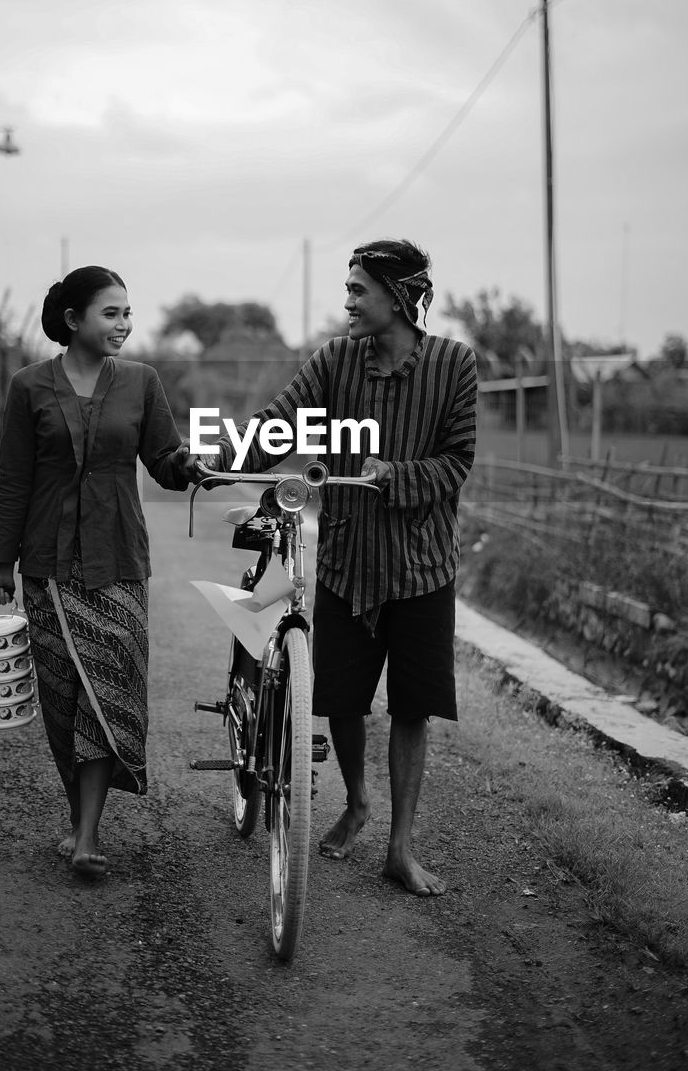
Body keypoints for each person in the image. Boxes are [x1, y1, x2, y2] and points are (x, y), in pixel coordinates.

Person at [190, 238, 477, 895]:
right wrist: (216, 456)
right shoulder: (334, 362)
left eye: (357, 290)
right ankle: (355, 800)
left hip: (422, 564)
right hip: (348, 557)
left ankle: (399, 848)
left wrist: (393, 473)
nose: (346, 301)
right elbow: (278, 422)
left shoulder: (455, 365)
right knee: (341, 699)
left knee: (413, 706)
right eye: (346, 289)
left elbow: (457, 461)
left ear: (400, 298)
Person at [0, 265, 191, 880]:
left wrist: (193, 465)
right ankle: (81, 822)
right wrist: (2, 566)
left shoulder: (142, 382)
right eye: (111, 313)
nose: (124, 325)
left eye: (128, 312)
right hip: (47, 568)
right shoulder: (28, 387)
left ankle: (88, 835)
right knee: (64, 701)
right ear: (74, 321)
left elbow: (163, 459)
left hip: (118, 562)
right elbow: (14, 480)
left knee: (110, 693)